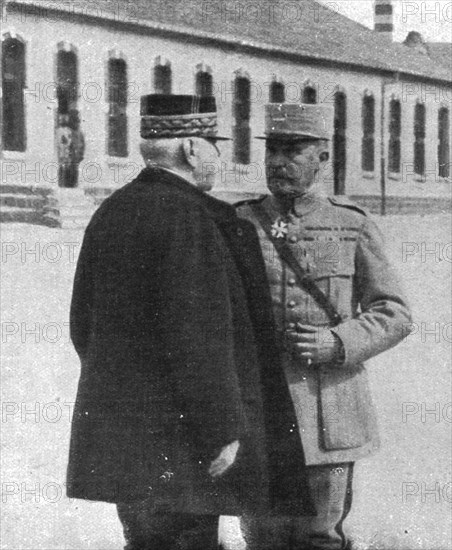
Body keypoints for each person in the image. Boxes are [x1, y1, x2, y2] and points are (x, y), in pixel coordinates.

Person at [66, 95, 301, 550]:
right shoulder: (191, 217)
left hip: (127, 437)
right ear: (193, 150)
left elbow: (83, 326)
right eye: (214, 144)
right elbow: (200, 336)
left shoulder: (112, 210)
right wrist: (221, 427)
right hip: (185, 441)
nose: (217, 156)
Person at [236, 103, 412, 550]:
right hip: (261, 409)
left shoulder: (351, 224)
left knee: (321, 537)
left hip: (328, 410)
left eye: (294, 151)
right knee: (262, 536)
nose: (278, 161)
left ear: (323, 158)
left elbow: (394, 312)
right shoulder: (240, 222)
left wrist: (337, 341)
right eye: (272, 150)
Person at [68, 109, 85, 187]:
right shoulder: (68, 131)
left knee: (75, 169)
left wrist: (81, 154)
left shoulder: (79, 133)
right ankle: (69, 183)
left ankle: (73, 183)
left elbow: (82, 143)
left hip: (76, 155)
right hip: (69, 154)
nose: (77, 123)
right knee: (69, 169)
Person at [56, 113, 73, 188]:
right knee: (61, 166)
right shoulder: (58, 130)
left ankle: (67, 184)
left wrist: (67, 143)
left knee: (67, 167)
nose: (62, 121)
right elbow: (58, 141)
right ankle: (61, 183)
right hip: (60, 151)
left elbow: (70, 140)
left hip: (66, 150)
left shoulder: (68, 130)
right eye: (61, 120)